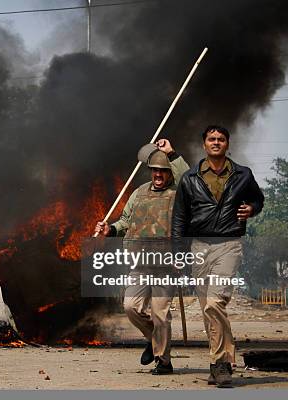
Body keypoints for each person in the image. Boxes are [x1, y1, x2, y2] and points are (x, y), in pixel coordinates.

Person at [172, 125, 264, 387]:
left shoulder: (243, 175)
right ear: (204, 144)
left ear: (227, 144)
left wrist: (252, 209)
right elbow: (179, 218)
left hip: (229, 244)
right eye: (211, 139)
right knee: (207, 310)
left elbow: (258, 199)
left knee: (215, 303)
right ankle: (216, 363)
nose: (216, 142)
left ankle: (223, 363)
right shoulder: (189, 178)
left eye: (221, 139)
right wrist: (178, 255)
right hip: (198, 247)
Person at [95, 139, 189, 375]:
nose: (158, 174)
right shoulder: (139, 193)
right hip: (140, 263)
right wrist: (110, 230)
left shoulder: (178, 193)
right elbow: (126, 221)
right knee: (131, 307)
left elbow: (190, 179)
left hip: (166, 264)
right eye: (155, 170)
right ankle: (154, 339)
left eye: (163, 171)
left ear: (169, 173)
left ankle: (164, 362)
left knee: (160, 313)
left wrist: (172, 154)